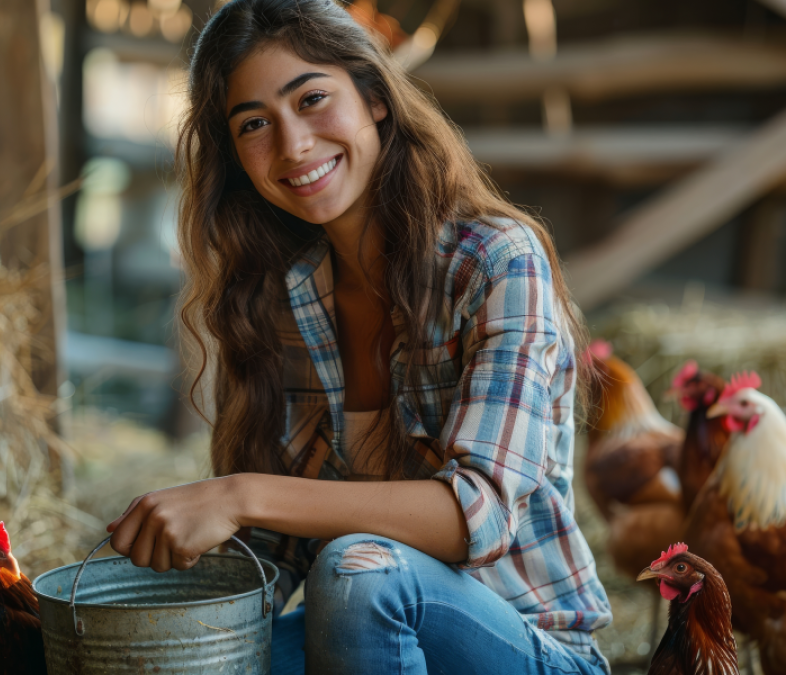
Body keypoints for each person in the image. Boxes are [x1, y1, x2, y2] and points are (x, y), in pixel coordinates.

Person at [106, 0, 613, 672]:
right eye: (255, 124)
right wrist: (163, 601)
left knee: (358, 569)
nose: (293, 144)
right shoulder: (275, 297)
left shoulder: (495, 261)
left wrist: (237, 493)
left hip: (529, 646)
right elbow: (276, 550)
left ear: (374, 97)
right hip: (364, 639)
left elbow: (475, 516)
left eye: (312, 98)